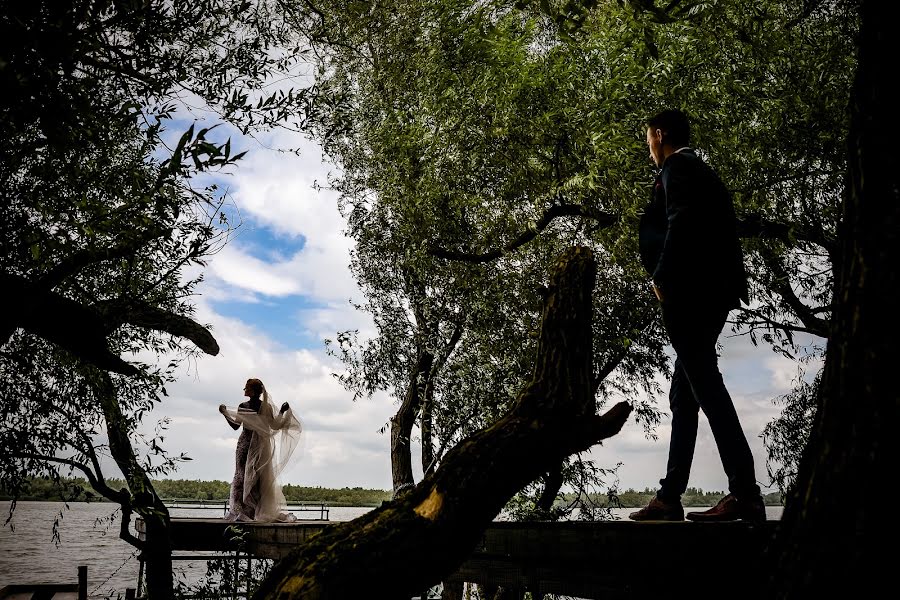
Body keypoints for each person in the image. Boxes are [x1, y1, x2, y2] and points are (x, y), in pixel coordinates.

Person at [630, 109, 766, 522]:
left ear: (659, 133)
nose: (648, 146)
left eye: (647, 137)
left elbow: (681, 222)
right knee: (685, 393)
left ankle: (745, 493)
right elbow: (715, 226)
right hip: (709, 293)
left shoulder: (678, 168)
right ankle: (670, 497)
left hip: (691, 295)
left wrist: (662, 276)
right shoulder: (699, 171)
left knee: (706, 386)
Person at [219, 378, 303, 522]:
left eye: (246, 387)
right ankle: (254, 510)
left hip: (245, 444)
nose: (245, 390)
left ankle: (242, 510)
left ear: (251, 390)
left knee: (241, 475)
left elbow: (235, 426)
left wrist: (225, 413)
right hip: (261, 445)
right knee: (260, 477)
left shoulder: (243, 406)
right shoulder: (266, 407)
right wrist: (281, 412)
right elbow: (275, 426)